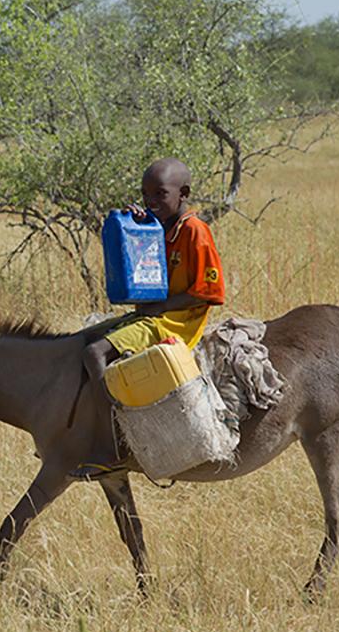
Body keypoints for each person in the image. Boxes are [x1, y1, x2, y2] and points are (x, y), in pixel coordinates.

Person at [70, 158, 225, 480]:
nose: (151, 202)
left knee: (94, 353)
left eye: (160, 194)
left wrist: (161, 307)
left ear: (183, 194)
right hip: (155, 313)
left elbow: (209, 291)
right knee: (79, 341)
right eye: (145, 195)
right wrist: (137, 230)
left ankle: (112, 445)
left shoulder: (195, 231)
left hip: (177, 321)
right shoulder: (160, 228)